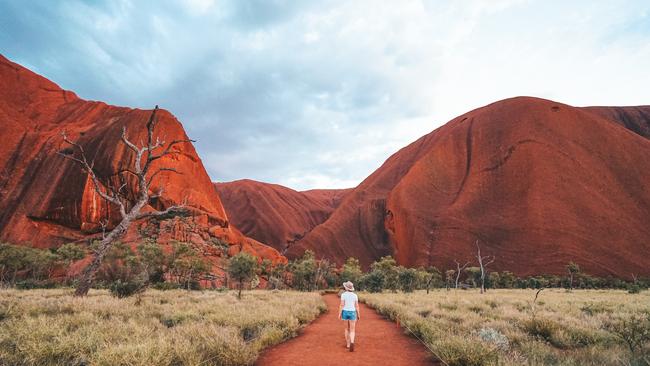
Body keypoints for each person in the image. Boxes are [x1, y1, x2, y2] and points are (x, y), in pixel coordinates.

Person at [338, 281, 360, 352]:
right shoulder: (355, 295)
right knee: (352, 330)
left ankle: (348, 344)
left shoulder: (343, 295)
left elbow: (341, 305)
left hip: (345, 312)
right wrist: (358, 314)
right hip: (352, 312)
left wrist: (339, 314)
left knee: (346, 329)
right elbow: (356, 306)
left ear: (346, 288)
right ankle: (352, 342)